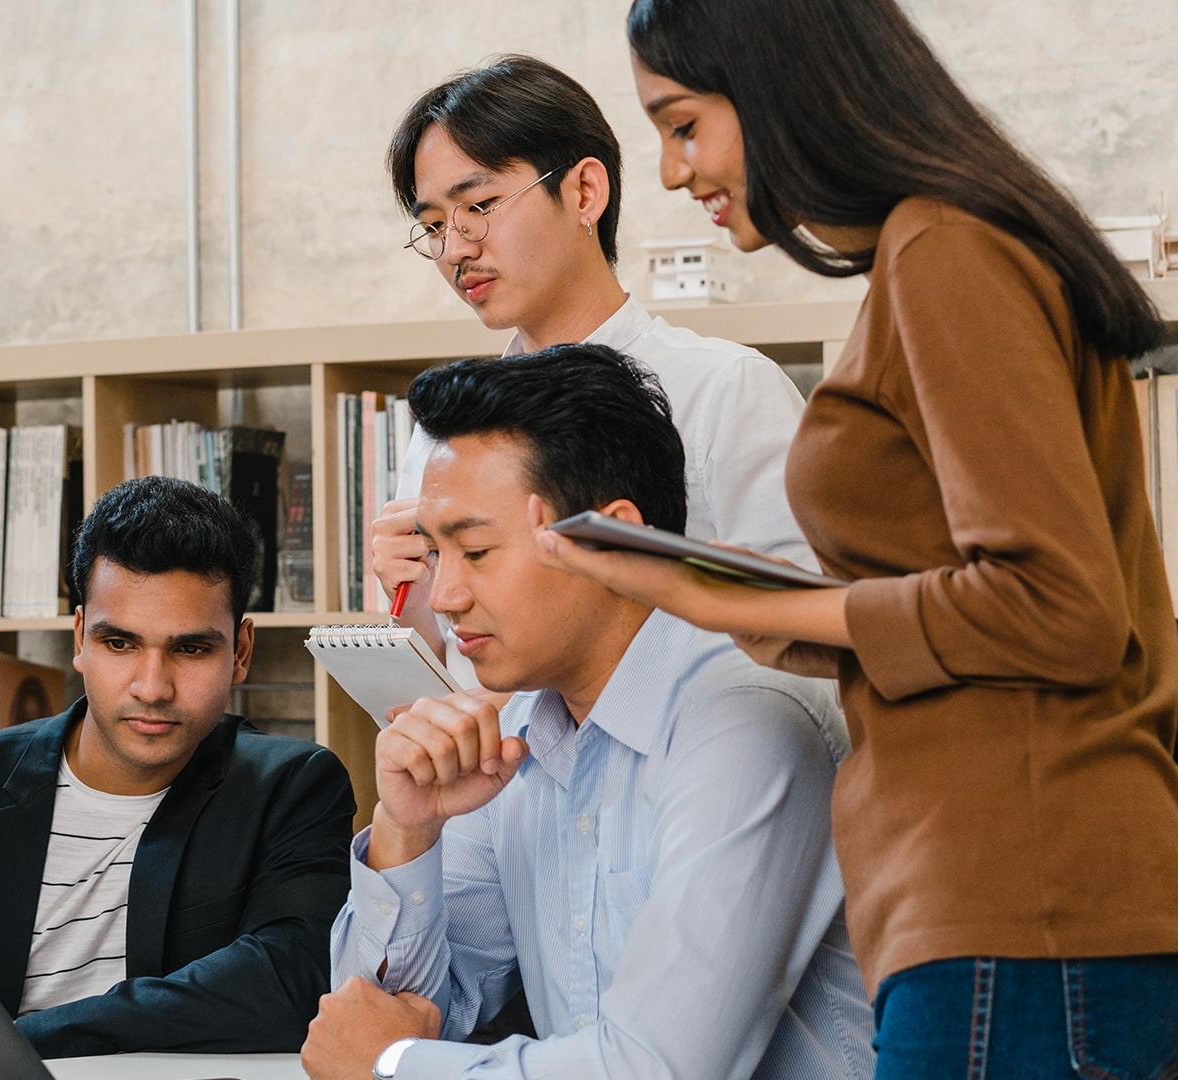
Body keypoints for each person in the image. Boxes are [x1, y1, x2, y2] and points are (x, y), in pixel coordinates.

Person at [529, 0, 1178, 1073]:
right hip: (1003, 907)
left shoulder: (948, 253)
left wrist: (746, 601)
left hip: (1020, 902)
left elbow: (1058, 607)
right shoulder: (941, 251)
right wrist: (743, 601)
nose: (675, 171)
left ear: (781, 85)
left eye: (684, 124)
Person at [300, 347, 873, 1080]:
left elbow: (657, 1069)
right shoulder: (516, 731)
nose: (443, 598)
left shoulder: (745, 722)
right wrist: (405, 832)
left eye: (477, 550)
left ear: (612, 540)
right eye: (435, 555)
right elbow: (368, 1020)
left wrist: (395, 1066)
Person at [0, 477, 357, 1075]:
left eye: (191, 649)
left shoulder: (293, 788)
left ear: (241, 651)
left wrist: (19, 1043)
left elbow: (289, 982)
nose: (152, 687)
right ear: (79, 639)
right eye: (119, 643)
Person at [374, 54, 816, 687]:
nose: (456, 249)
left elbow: (807, 644)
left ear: (585, 191)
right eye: (434, 225)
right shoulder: (447, 430)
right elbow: (454, 692)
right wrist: (415, 609)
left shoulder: (727, 390)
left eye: (480, 205)